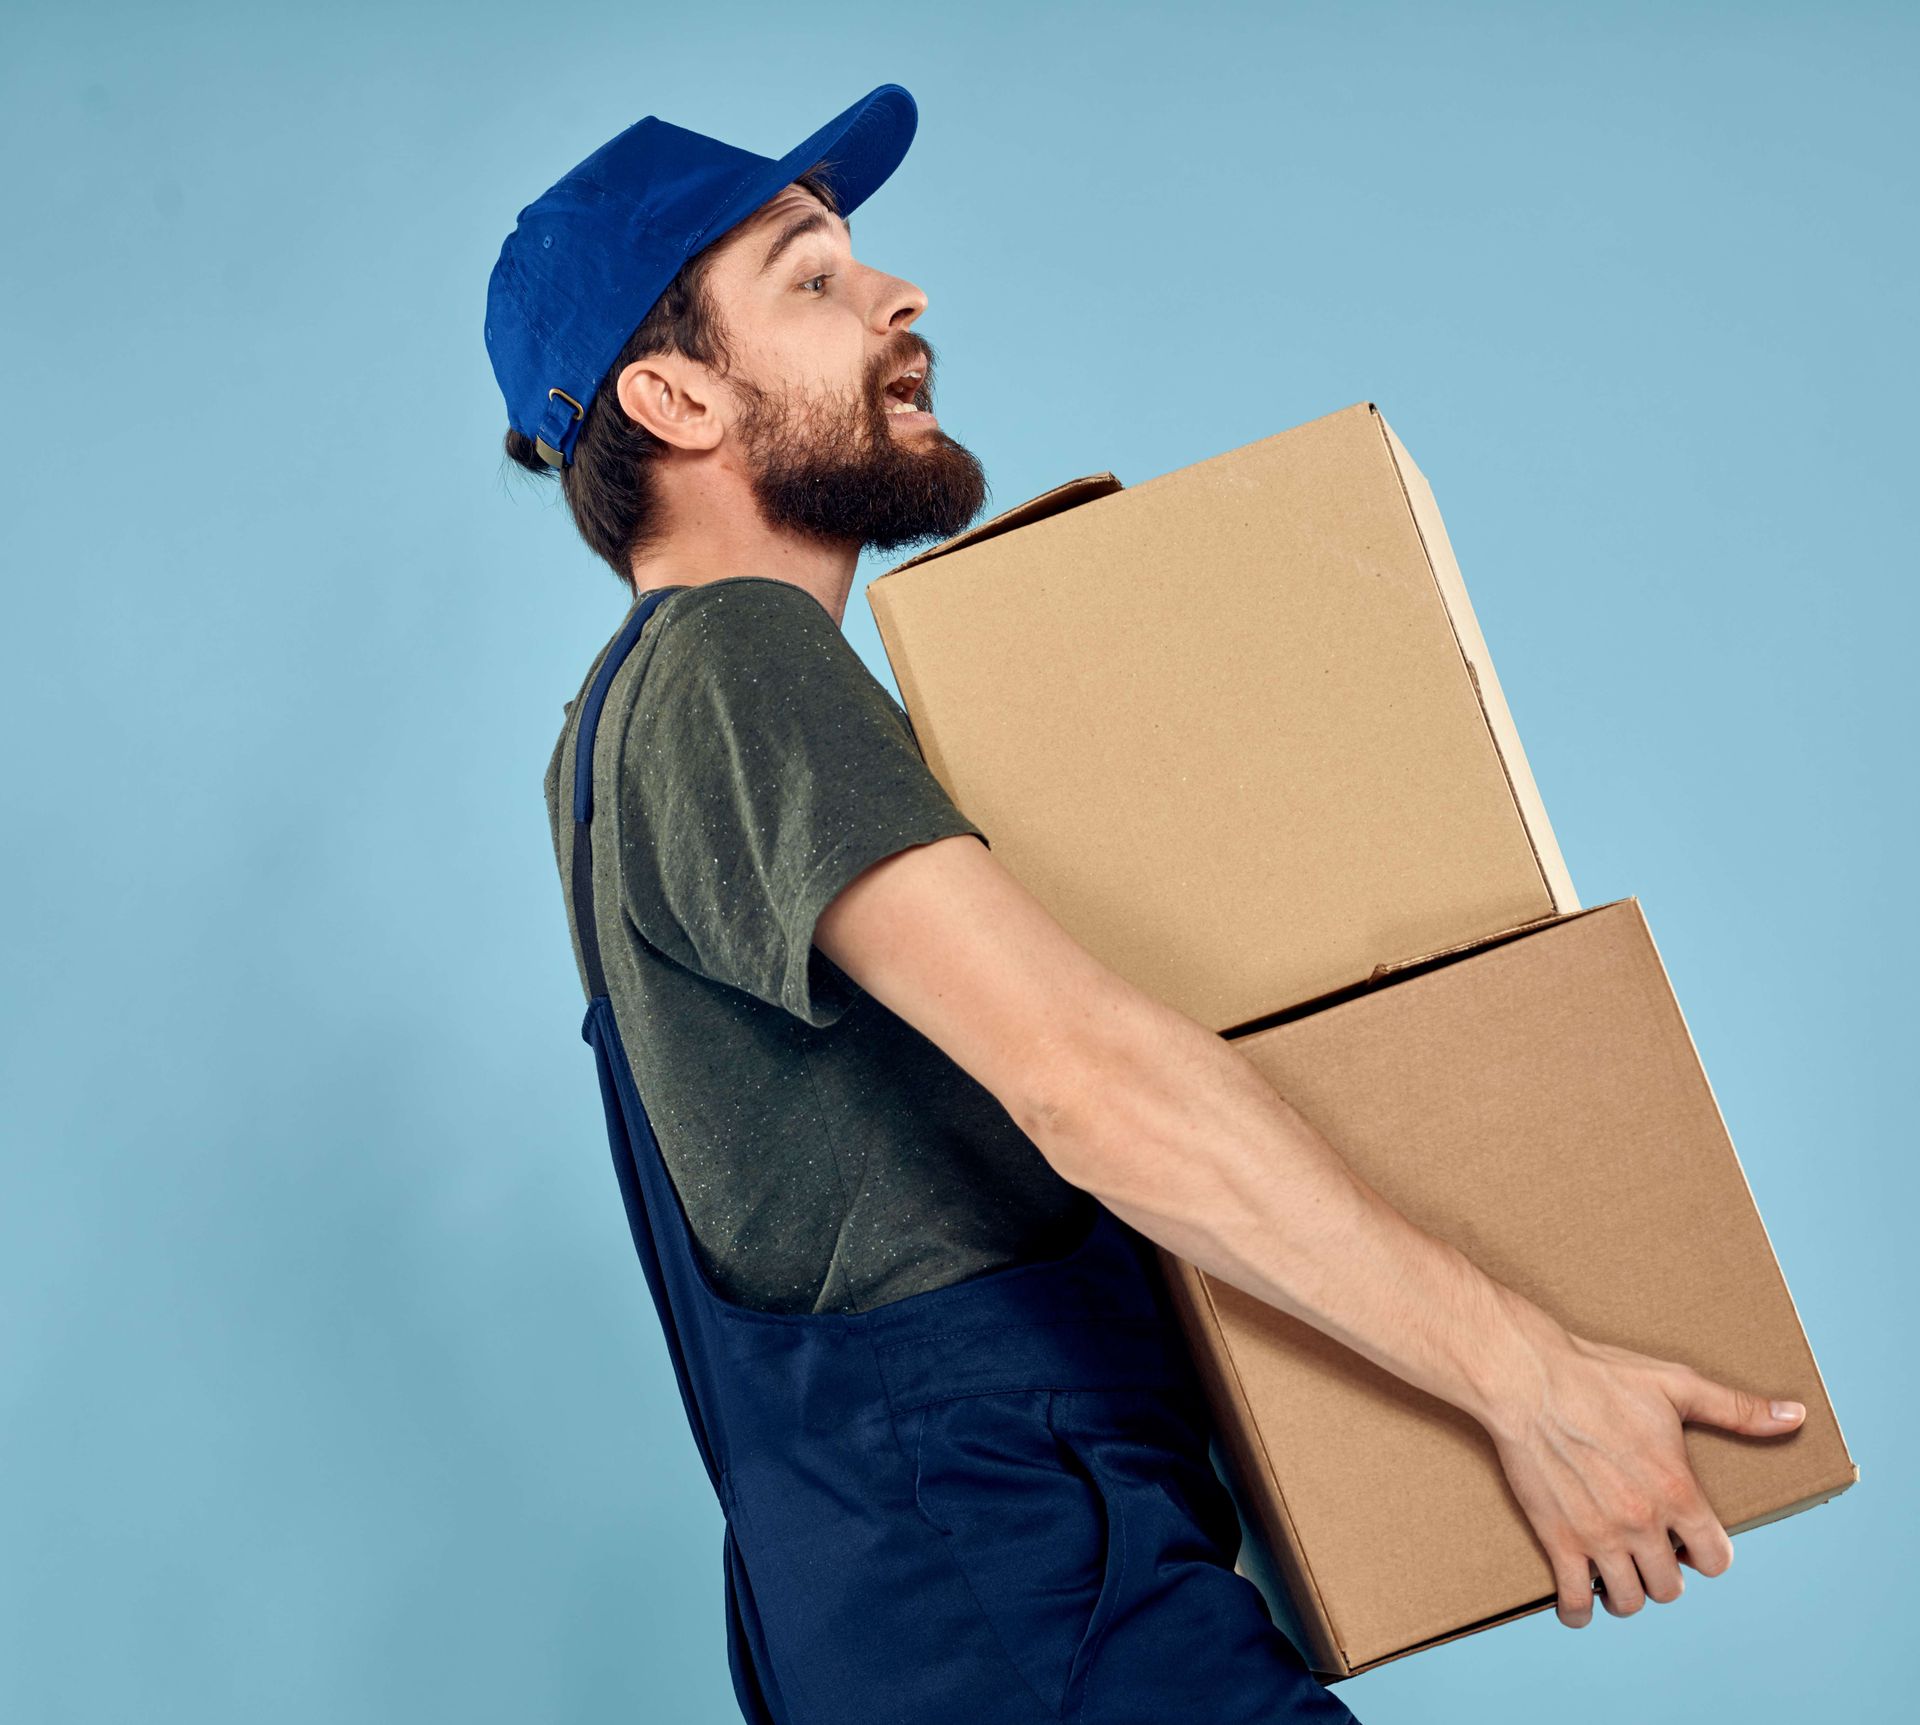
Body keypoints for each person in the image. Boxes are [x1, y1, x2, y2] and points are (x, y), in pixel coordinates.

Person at [485, 84, 1808, 1723]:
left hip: (922, 1607)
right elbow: (1085, 1077)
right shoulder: (737, 665)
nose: (901, 300)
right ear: (673, 393)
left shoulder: (610, 738)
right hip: (1024, 1592)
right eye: (812, 278)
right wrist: (1527, 1379)